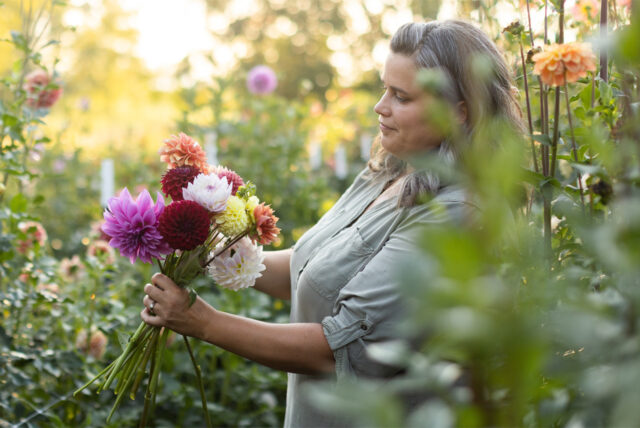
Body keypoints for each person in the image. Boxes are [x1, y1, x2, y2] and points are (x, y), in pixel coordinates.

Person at [140, 19, 524, 427]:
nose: (380, 106)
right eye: (383, 88)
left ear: (459, 113)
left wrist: (202, 321)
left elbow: (337, 347)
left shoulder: (455, 215)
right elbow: (316, 268)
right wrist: (214, 247)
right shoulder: (392, 171)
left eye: (401, 96)